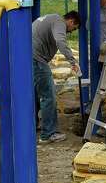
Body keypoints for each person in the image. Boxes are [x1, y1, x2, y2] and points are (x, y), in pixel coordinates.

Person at [32, 11, 81, 143]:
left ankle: (32, 125)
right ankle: (49, 134)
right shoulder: (59, 22)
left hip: (29, 57)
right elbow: (60, 40)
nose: (70, 32)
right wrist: (73, 61)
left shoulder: (50, 17)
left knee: (36, 94)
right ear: (71, 21)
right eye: (73, 29)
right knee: (48, 96)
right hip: (37, 60)